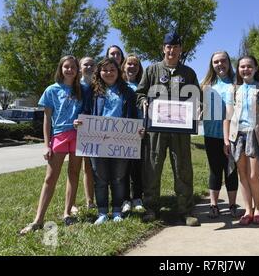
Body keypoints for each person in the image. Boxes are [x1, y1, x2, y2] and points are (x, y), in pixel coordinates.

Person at [136, 31, 201, 227]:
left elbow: (196, 96)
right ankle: (151, 208)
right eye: (168, 46)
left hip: (180, 130)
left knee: (183, 167)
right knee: (152, 167)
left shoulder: (188, 73)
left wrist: (198, 106)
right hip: (156, 129)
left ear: (180, 49)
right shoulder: (152, 70)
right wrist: (144, 102)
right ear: (163, 48)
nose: (171, 50)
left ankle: (185, 210)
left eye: (175, 46)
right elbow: (140, 92)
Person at [20, 55, 83, 234]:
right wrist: (46, 145)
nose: (70, 70)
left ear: (77, 70)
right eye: (66, 67)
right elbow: (47, 120)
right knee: (50, 177)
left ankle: (67, 212)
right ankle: (38, 219)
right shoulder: (51, 90)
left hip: (78, 136)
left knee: (73, 173)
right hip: (59, 135)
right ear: (61, 69)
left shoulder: (81, 90)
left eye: (73, 67)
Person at [77, 57, 138, 225]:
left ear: (118, 72)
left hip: (121, 141)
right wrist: (80, 122)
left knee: (119, 177)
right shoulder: (92, 91)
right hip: (97, 140)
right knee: (100, 177)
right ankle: (102, 212)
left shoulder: (127, 92)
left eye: (112, 69)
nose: (109, 73)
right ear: (99, 72)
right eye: (105, 70)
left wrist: (137, 130)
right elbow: (86, 111)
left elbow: (133, 116)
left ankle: (117, 210)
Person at [224, 55, 259, 226]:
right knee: (242, 174)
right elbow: (227, 117)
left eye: (249, 66)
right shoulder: (234, 89)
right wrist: (226, 140)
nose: (245, 69)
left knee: (253, 175)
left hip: (254, 135)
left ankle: (258, 208)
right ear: (238, 70)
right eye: (242, 67)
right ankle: (247, 209)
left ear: (256, 68)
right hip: (237, 136)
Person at [200, 51, 239, 219]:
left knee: (231, 170)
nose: (220, 64)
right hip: (211, 133)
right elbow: (200, 107)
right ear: (212, 64)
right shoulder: (206, 85)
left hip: (233, 134)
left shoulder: (237, 83)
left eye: (223, 61)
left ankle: (232, 205)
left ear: (229, 63)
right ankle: (213, 205)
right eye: (216, 62)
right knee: (215, 170)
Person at [120, 54, 146, 213]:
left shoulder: (143, 86)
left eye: (135, 65)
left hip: (139, 132)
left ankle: (137, 197)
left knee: (137, 167)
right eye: (129, 64)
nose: (132, 67)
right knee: (123, 168)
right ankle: (124, 200)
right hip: (121, 132)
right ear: (123, 66)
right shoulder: (119, 85)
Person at [72, 57, 96, 212]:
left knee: (88, 167)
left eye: (91, 64)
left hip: (92, 129)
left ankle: (90, 201)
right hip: (75, 128)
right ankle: (71, 204)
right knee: (73, 168)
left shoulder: (97, 86)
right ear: (80, 68)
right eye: (85, 64)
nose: (88, 67)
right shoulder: (74, 86)